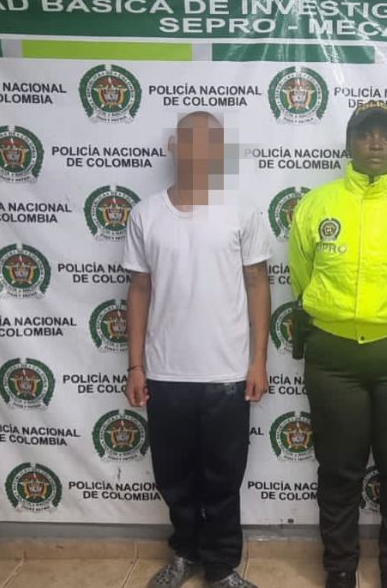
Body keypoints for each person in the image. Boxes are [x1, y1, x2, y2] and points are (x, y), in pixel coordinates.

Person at [288, 101, 387, 588]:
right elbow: (302, 279)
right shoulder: (316, 206)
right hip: (333, 359)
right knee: (338, 471)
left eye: (386, 135)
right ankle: (339, 568)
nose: (375, 143)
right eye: (365, 134)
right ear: (349, 144)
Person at [124, 111, 271, 588]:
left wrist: (258, 361)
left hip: (227, 373)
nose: (199, 151)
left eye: (211, 143)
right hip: (166, 373)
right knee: (175, 476)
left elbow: (258, 284)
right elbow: (139, 290)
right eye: (191, 141)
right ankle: (185, 553)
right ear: (174, 147)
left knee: (225, 477)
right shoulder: (145, 215)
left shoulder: (242, 212)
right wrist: (136, 366)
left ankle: (222, 567)